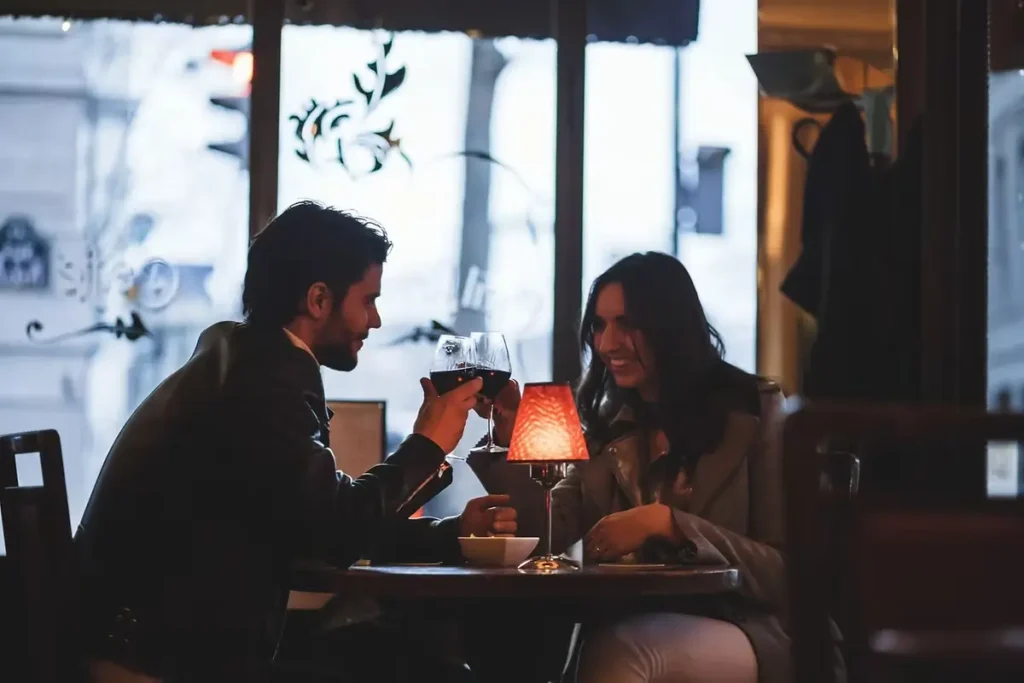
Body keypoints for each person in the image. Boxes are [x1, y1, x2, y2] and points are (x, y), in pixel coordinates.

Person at [76, 201, 516, 682]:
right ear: (319, 299)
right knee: (434, 667)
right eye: (368, 300)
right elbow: (333, 533)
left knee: (412, 657)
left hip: (150, 642)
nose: (376, 321)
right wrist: (427, 444)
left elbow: (308, 521)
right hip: (160, 659)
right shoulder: (264, 378)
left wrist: (449, 533)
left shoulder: (242, 358)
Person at [469, 252, 797, 683]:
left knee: (622, 649)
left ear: (671, 327)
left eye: (627, 324)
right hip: (631, 624)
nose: (607, 344)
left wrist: (670, 524)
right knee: (509, 643)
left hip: (758, 630)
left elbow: (791, 573)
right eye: (600, 326)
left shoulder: (757, 411)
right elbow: (552, 537)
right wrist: (511, 442)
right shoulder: (609, 425)